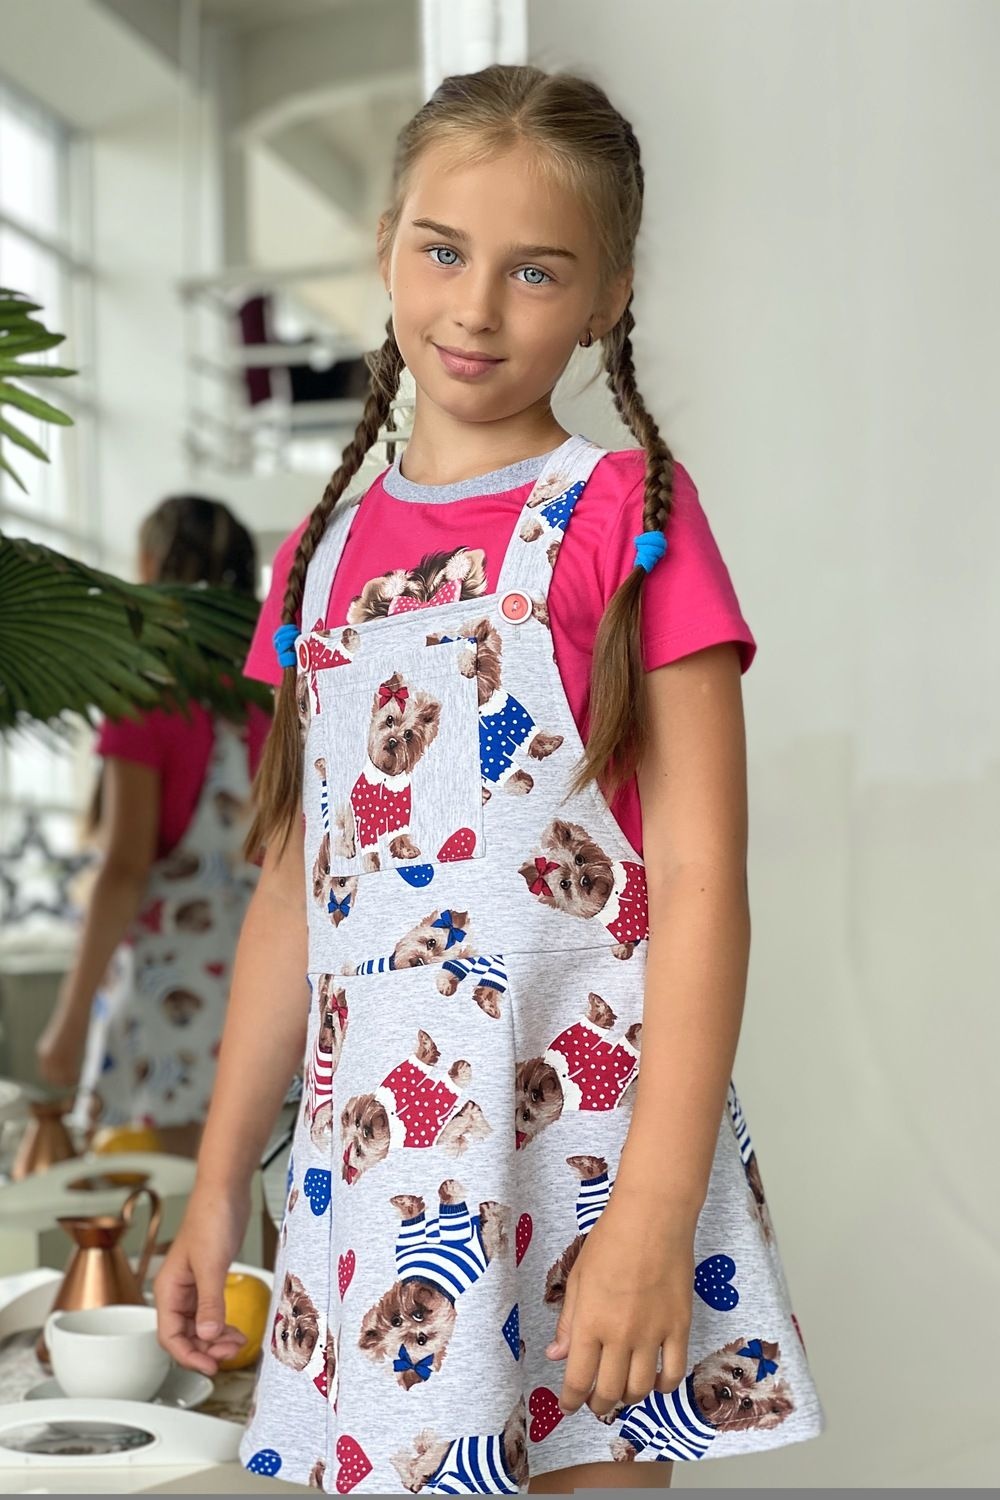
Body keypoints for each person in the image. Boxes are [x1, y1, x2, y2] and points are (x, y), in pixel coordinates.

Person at [154, 65, 825, 1493]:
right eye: (443, 251)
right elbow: (293, 892)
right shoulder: (317, 557)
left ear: (605, 299)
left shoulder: (627, 517)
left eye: (535, 271)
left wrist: (652, 1213)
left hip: (585, 1156)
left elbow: (701, 880)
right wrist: (217, 1181)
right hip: (372, 1167)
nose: (474, 308)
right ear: (386, 245)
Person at [36, 495, 272, 1159]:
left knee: (163, 1196)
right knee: (241, 1195)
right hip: (264, 989)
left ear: (148, 568)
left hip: (171, 1001)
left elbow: (124, 871)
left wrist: (69, 1019)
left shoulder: (148, 699)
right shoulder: (268, 699)